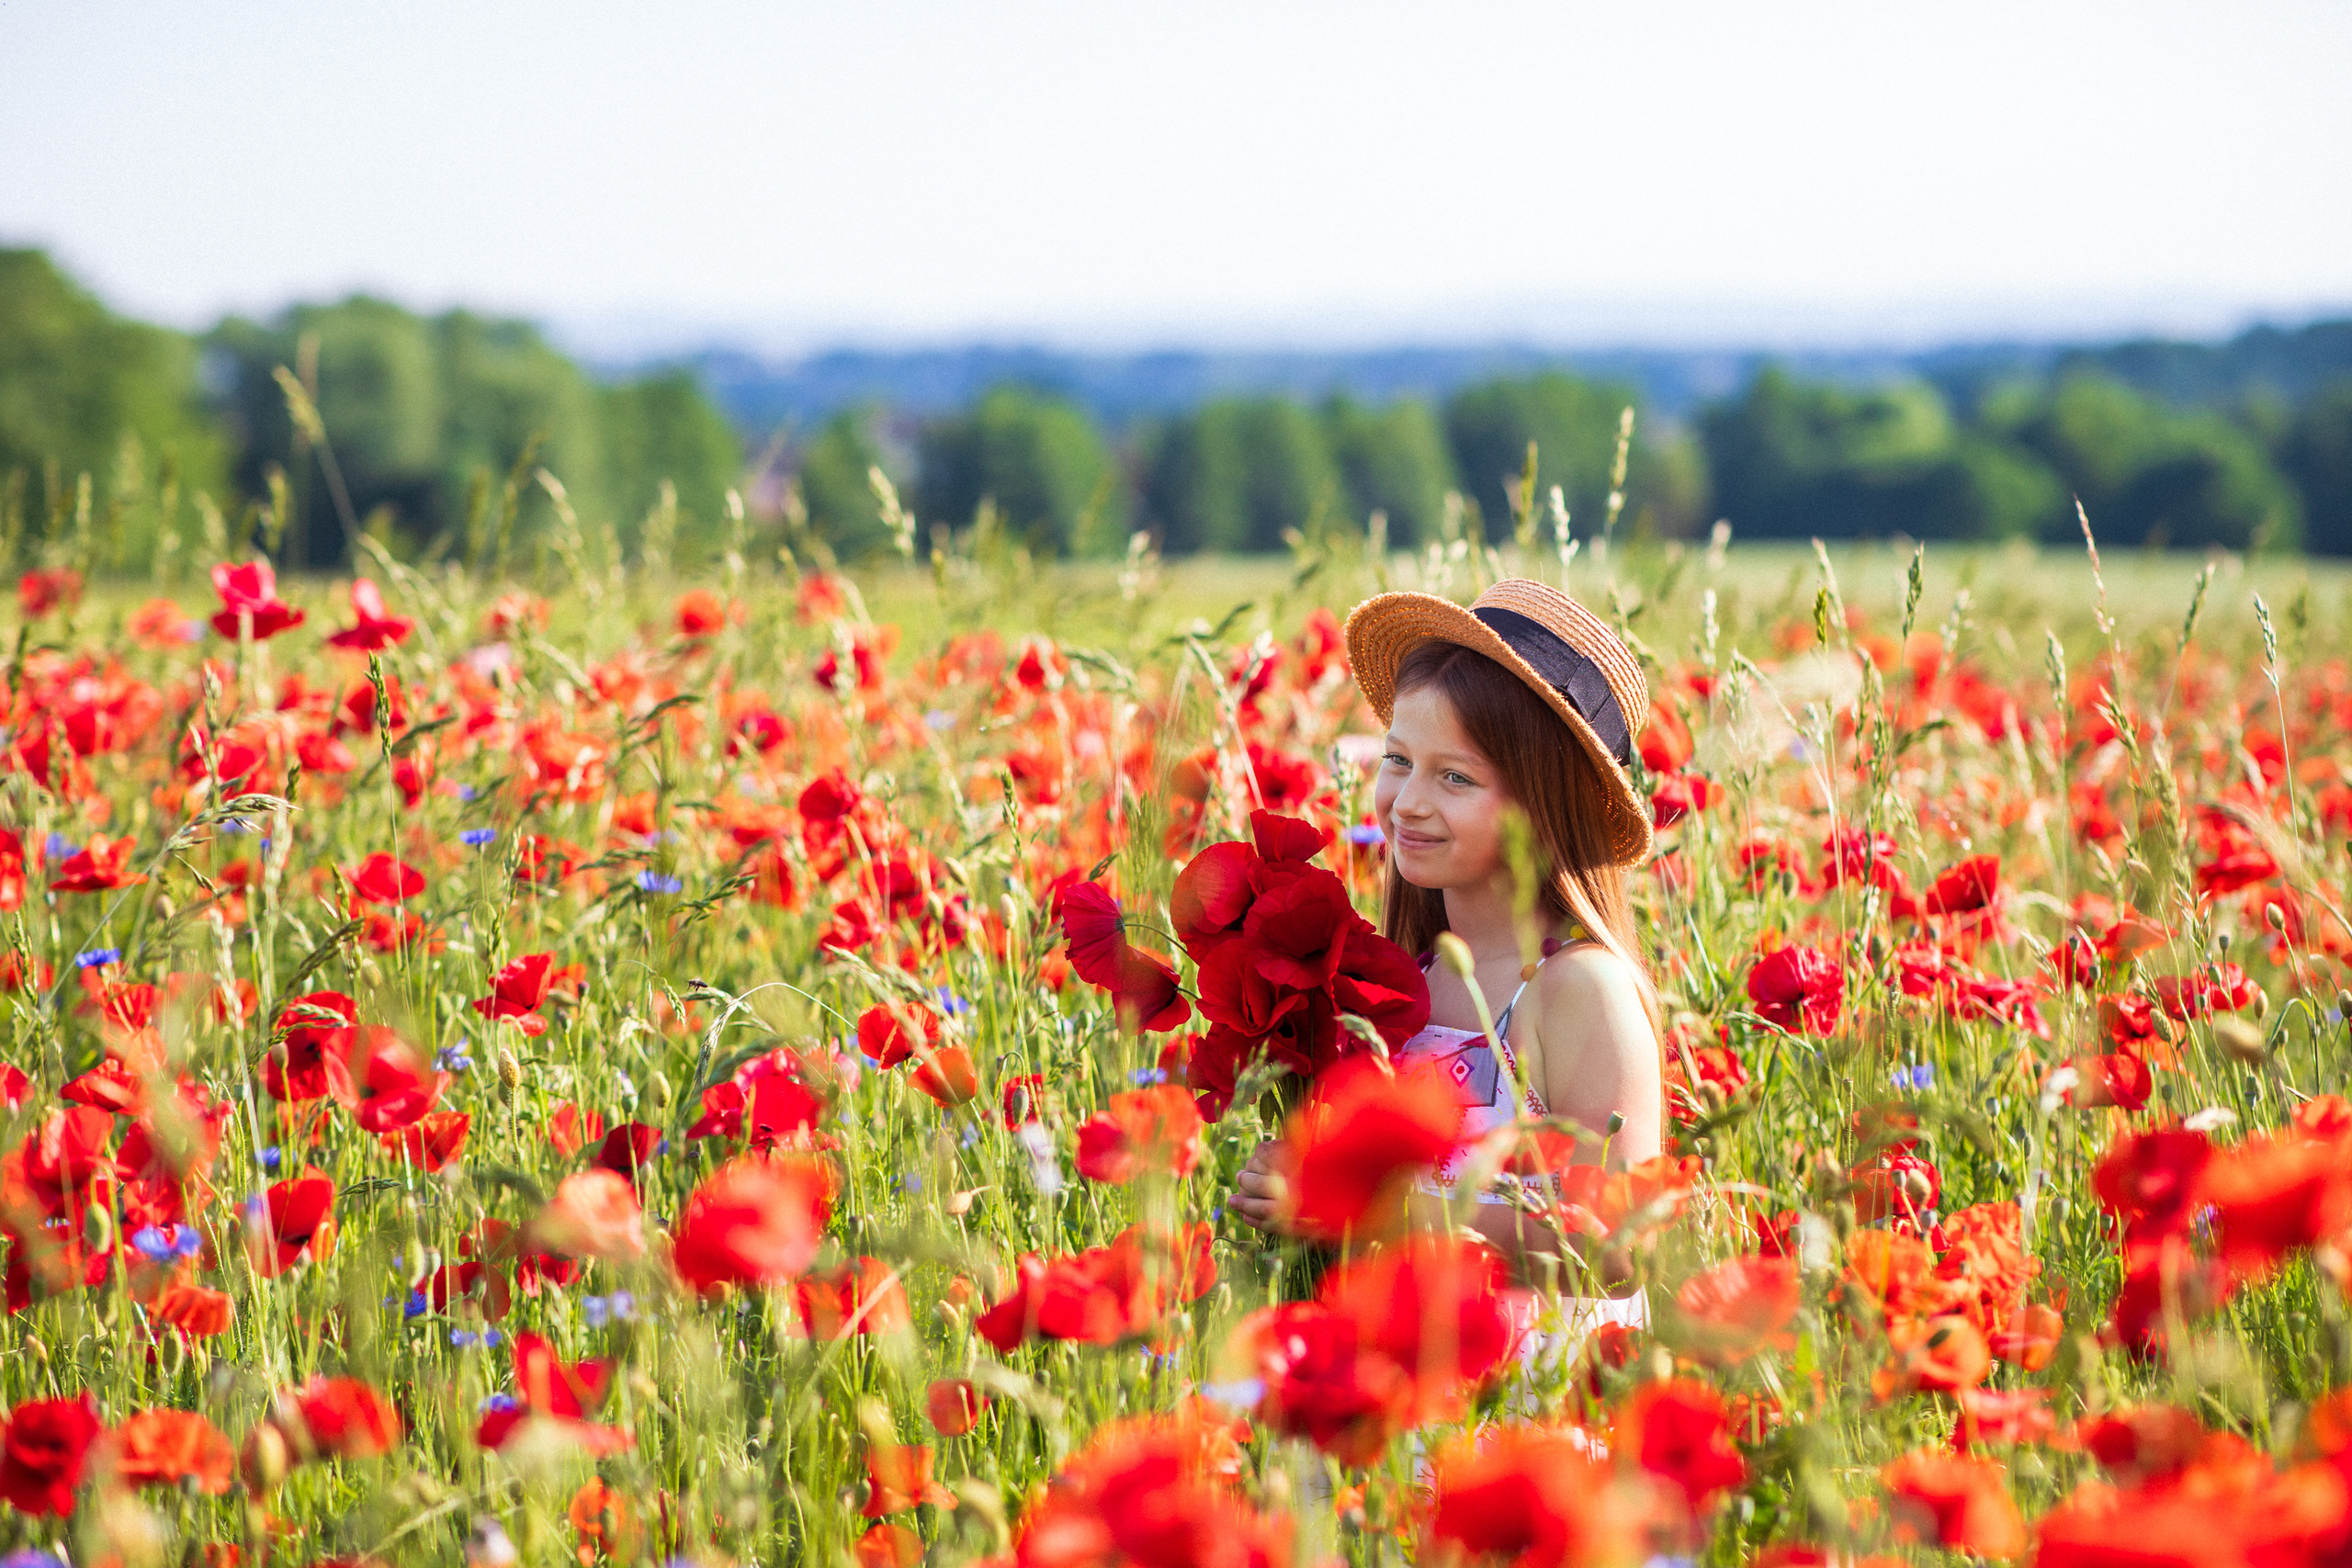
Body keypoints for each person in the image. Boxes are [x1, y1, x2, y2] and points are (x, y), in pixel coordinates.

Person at [1228, 578, 1665, 1303]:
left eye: (1455, 776)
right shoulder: (1407, 981)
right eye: (1398, 759)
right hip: (1410, 1395)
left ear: (1545, 805)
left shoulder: (1578, 988)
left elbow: (1620, 1242)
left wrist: (1386, 1212)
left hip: (1538, 1400)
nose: (1408, 801)